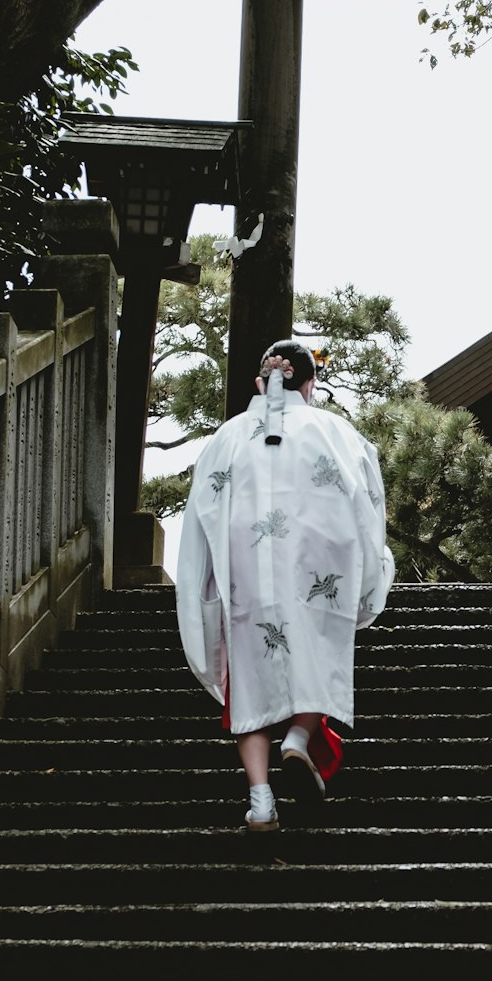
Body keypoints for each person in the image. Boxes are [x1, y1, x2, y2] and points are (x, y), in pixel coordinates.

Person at [176, 339, 394, 829]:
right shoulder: (337, 432)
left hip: (246, 574)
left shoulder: (227, 439)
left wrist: (207, 584)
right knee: (316, 652)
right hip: (320, 571)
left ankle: (260, 802)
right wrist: (369, 563)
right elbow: (368, 504)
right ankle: (299, 738)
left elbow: (201, 519)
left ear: (261, 382)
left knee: (248, 679)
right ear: (310, 383)